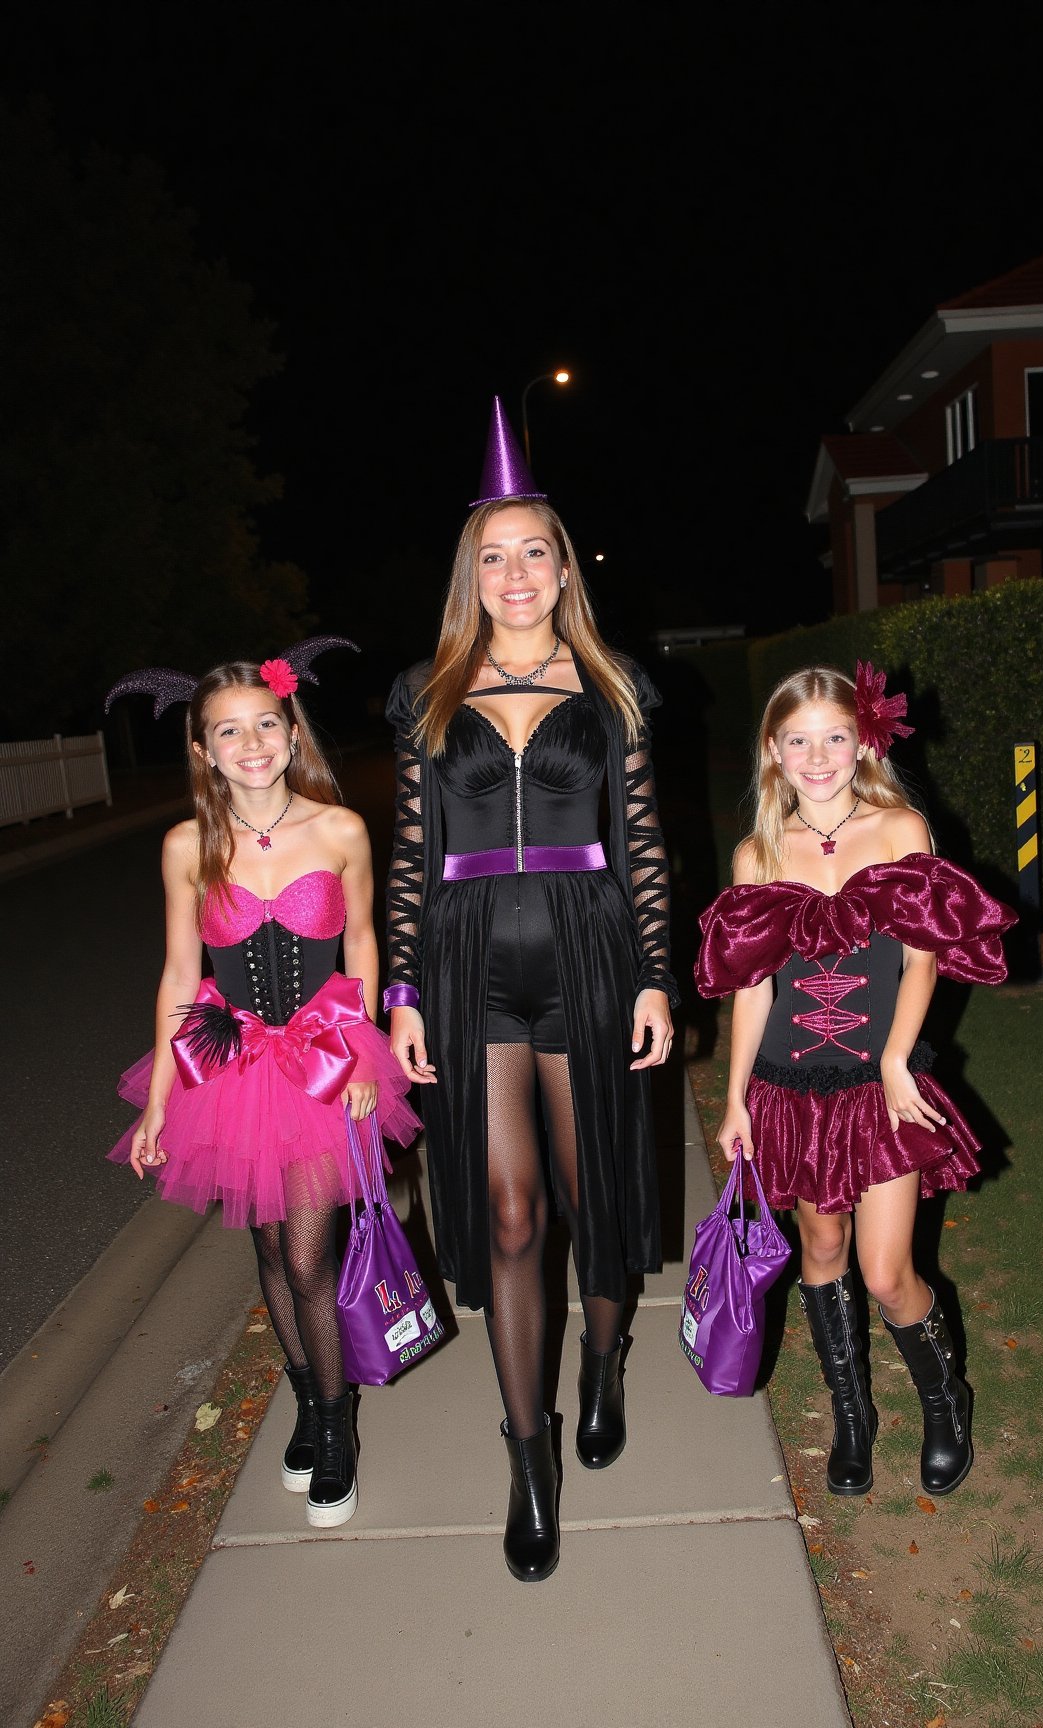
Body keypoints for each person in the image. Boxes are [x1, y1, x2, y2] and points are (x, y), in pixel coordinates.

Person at [384, 398, 677, 1580]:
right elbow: (410, 850)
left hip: (590, 951)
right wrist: (401, 988)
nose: (515, 573)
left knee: (593, 1193)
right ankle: (527, 1455)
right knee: (507, 1214)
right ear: (474, 573)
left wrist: (659, 976)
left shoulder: (615, 688)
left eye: (534, 552)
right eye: (493, 556)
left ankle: (604, 1361)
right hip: (465, 964)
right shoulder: (424, 691)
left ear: (563, 568)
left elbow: (645, 840)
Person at [106, 641, 420, 1529]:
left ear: (292, 731)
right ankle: (312, 1396)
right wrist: (160, 1102)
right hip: (232, 1066)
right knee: (274, 1253)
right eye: (228, 732)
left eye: (266, 725)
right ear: (203, 750)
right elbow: (178, 976)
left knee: (312, 1255)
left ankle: (334, 1428)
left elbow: (363, 946)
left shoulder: (340, 827)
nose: (251, 744)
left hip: (323, 1064)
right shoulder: (186, 845)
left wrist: (364, 1052)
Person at [695, 663, 1015, 1499]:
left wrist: (897, 1056)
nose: (818, 755)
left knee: (885, 1270)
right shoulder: (757, 853)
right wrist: (734, 1098)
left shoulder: (900, 828)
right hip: (789, 1089)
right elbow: (751, 988)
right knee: (822, 1248)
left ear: (864, 739)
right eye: (798, 739)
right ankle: (852, 1414)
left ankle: (945, 1399)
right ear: (773, 750)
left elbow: (923, 959)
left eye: (835, 736)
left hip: (882, 1087)